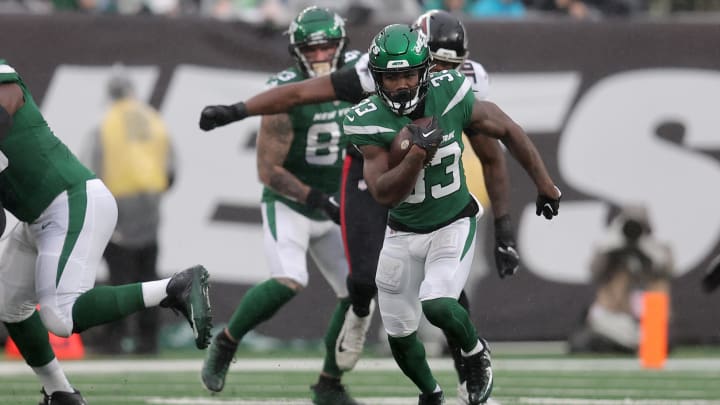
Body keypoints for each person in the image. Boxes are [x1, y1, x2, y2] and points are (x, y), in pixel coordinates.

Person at [199, 10, 523, 405]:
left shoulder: (458, 86)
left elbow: (492, 155)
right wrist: (237, 110)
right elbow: (298, 95)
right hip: (363, 181)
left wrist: (504, 227)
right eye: (431, 63)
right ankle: (354, 309)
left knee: (447, 294)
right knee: (360, 278)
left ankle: (466, 376)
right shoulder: (371, 74)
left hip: (426, 189)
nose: (433, 74)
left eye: (446, 65)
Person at [343, 24, 561, 404]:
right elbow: (382, 193)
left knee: (439, 302)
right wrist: (415, 156)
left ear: (426, 70)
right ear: (377, 78)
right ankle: (431, 393)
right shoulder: (367, 117)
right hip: (402, 230)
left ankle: (475, 354)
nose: (401, 86)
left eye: (409, 74)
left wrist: (545, 184)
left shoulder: (451, 93)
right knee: (399, 331)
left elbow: (507, 129)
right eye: (391, 77)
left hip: (452, 222)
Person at [0, 59, 212, 405]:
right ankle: (60, 393)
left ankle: (174, 288)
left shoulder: (4, 80)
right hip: (37, 214)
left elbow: (6, 101)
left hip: (70, 200)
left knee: (60, 316)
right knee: (7, 305)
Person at [199, 7, 362, 405]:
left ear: (341, 46)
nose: (322, 56)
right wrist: (317, 199)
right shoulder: (285, 92)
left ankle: (329, 382)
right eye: (313, 49)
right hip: (292, 201)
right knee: (290, 279)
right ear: (297, 51)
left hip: (337, 198)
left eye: (328, 48)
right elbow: (268, 170)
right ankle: (226, 341)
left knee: (358, 294)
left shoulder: (361, 75)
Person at [85, 64, 176, 354]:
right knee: (149, 273)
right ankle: (148, 338)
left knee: (119, 276)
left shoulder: (104, 122)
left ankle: (115, 337)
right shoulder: (154, 119)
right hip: (150, 203)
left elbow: (89, 167)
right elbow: (172, 167)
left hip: (117, 204)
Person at [568, 204, 673, 354]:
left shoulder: (659, 248)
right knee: (617, 281)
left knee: (659, 284)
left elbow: (666, 271)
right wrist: (610, 247)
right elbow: (594, 272)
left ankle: (639, 341)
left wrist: (647, 250)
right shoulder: (612, 250)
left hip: (648, 317)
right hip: (616, 313)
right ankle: (625, 341)